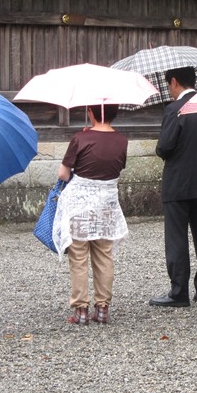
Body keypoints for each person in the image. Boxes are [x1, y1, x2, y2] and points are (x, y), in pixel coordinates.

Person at [149, 67, 197, 308]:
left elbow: (164, 147)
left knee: (177, 238)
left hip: (178, 181)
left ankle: (179, 292)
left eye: (168, 84)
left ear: (175, 81)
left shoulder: (175, 110)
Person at [53, 104, 129, 325]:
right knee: (104, 255)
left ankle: (81, 310)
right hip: (106, 206)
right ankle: (103, 308)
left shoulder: (80, 138)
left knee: (78, 257)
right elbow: (118, 168)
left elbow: (63, 174)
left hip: (79, 206)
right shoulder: (122, 141)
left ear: (92, 113)